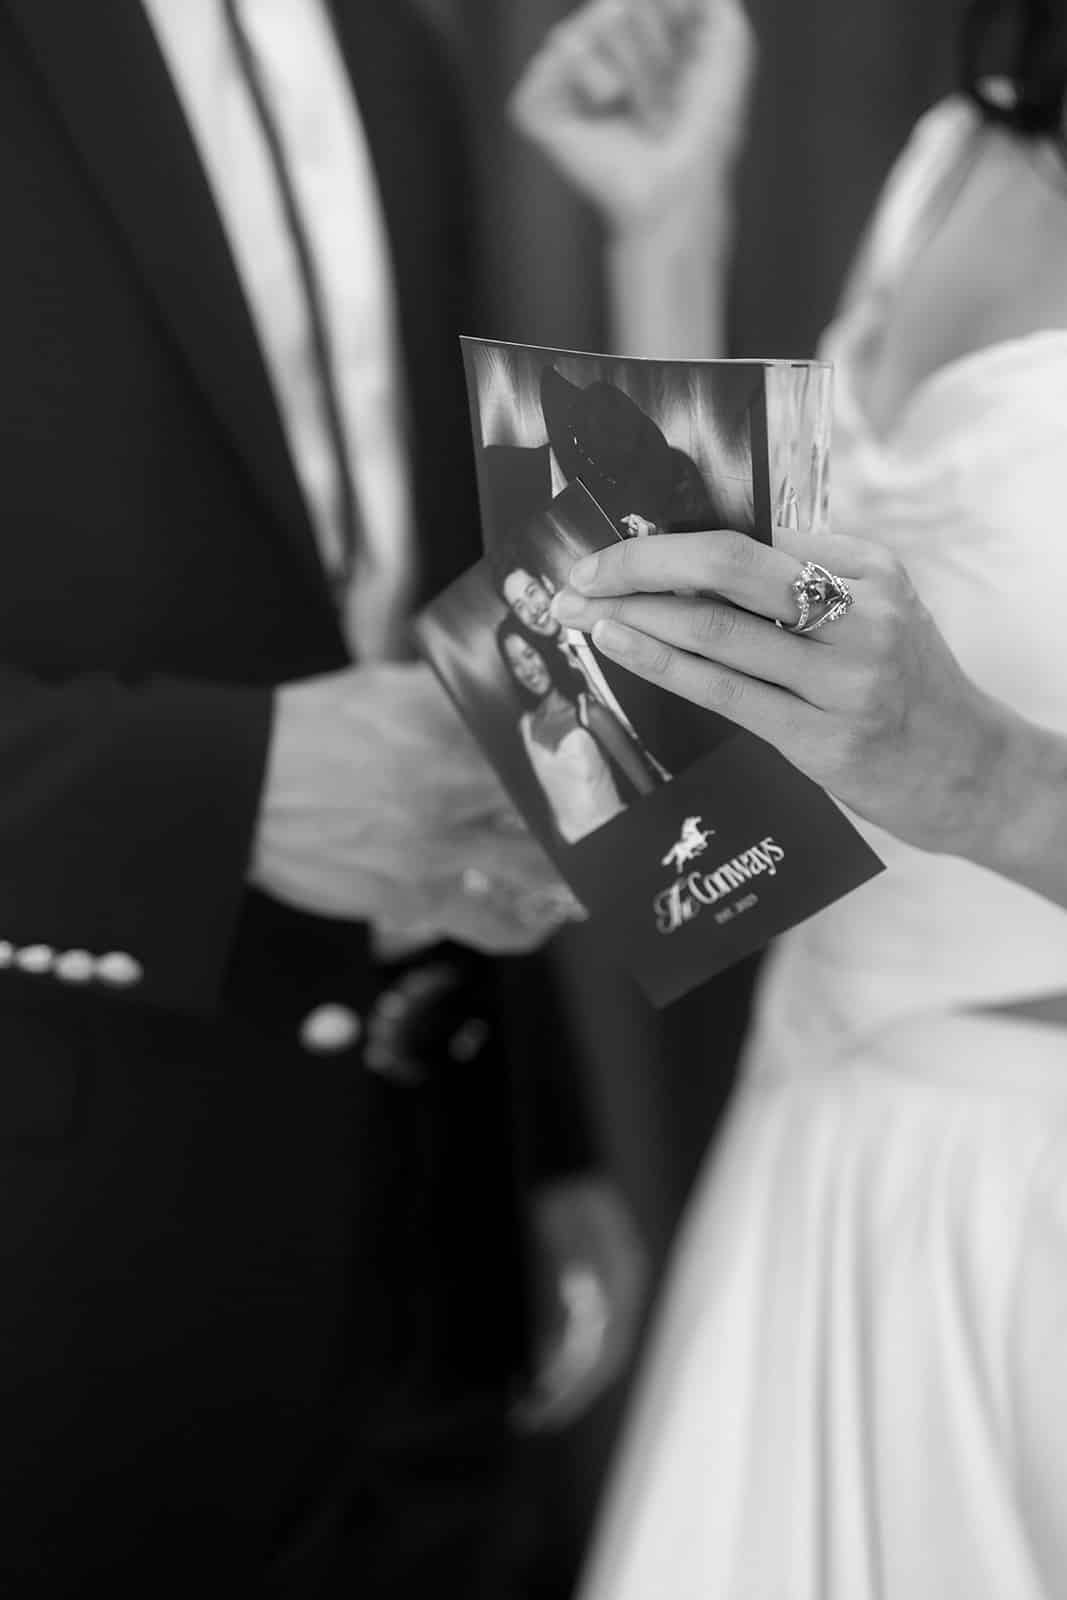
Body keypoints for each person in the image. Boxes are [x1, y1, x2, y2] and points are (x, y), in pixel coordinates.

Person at [0, 4, 654, 1593]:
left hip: (435, 1246)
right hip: (61, 1294)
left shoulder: (391, 42)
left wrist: (538, 1138)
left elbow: (466, 609)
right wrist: (227, 792)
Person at [526, 0, 1067, 1594]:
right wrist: (668, 228)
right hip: (808, 1126)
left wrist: (977, 778)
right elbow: (750, 616)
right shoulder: (962, 143)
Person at [496, 615, 659, 845]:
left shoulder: (591, 714)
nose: (526, 670)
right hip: (583, 860)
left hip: (624, 843)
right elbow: (555, 811)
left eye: (529, 655)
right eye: (515, 663)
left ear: (544, 649)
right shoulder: (525, 727)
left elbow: (650, 792)